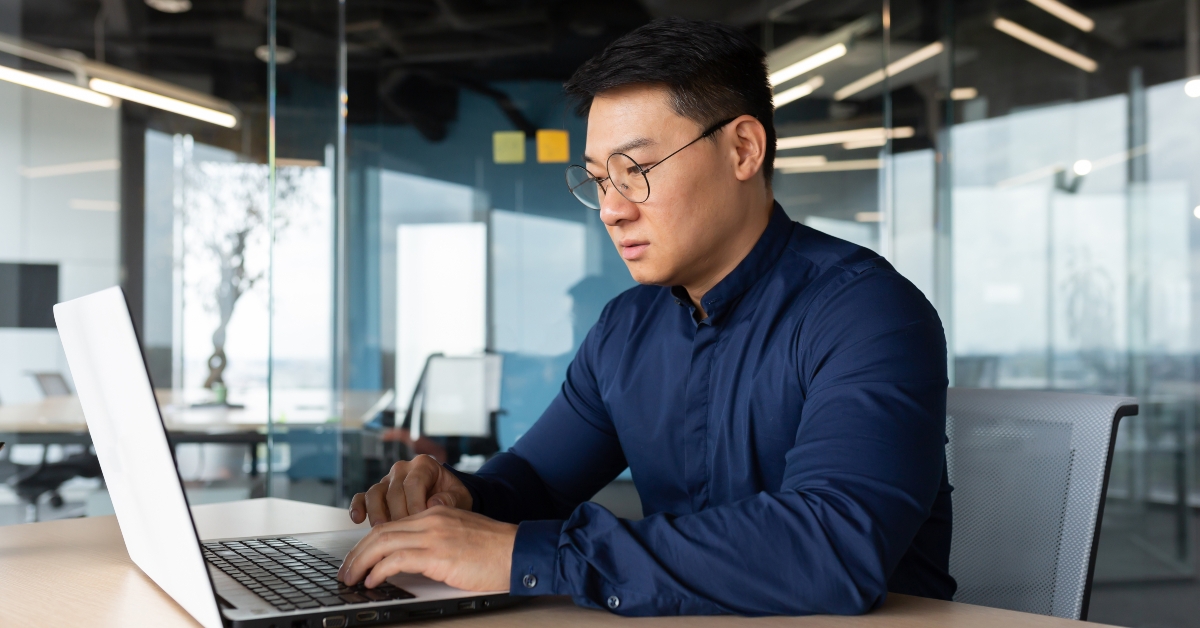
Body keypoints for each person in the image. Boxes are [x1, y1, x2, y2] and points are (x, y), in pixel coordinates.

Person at [337, 17, 955, 616]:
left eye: (635, 172)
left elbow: (832, 548)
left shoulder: (867, 312)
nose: (610, 210)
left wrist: (524, 553)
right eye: (598, 179)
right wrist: (462, 496)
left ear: (743, 149)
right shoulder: (626, 329)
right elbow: (538, 481)